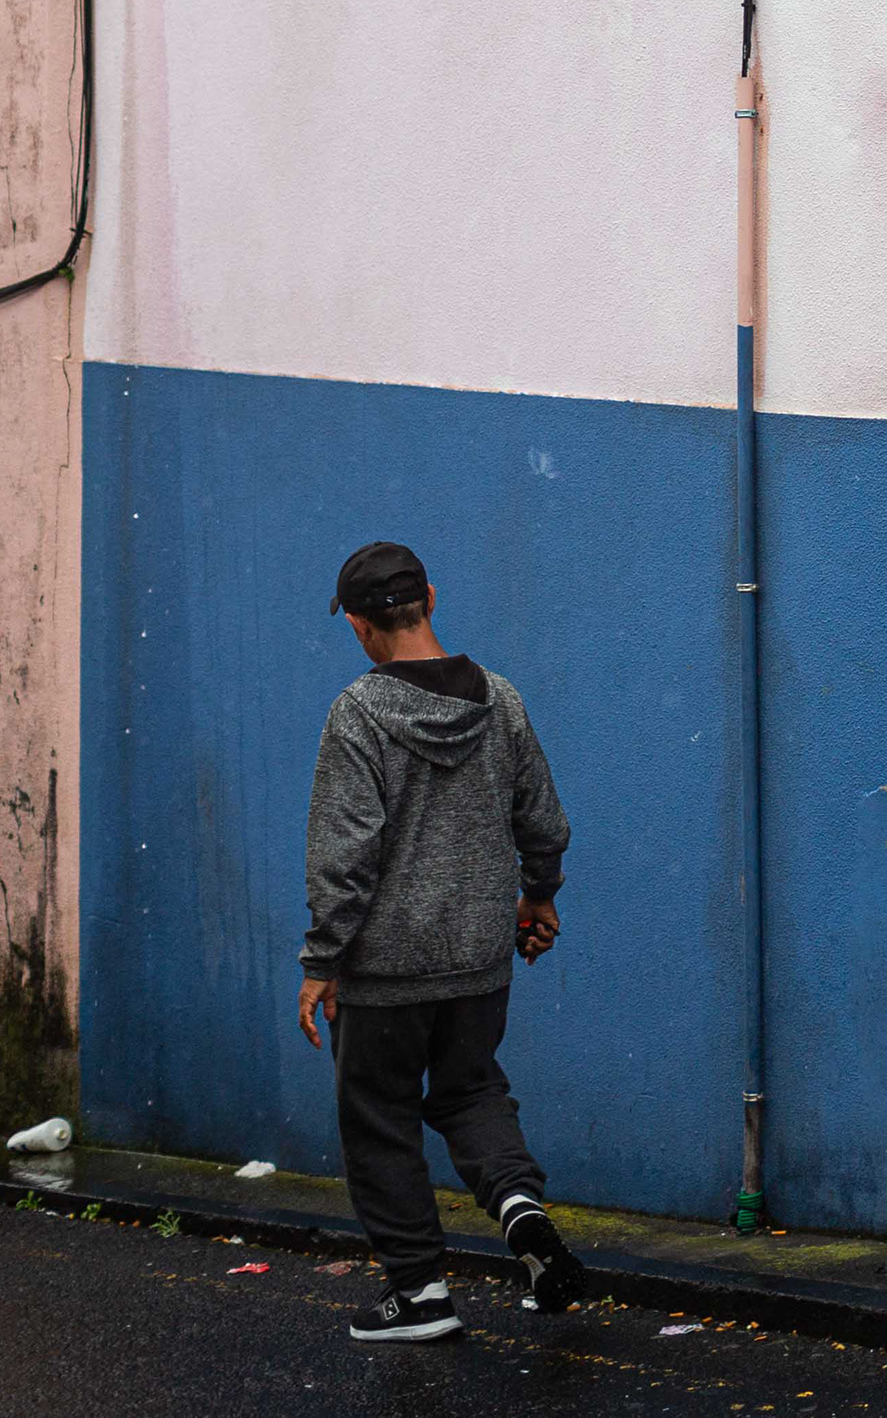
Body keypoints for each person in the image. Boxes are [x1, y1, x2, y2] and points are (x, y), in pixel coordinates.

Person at [299, 539, 586, 1344]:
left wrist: (322, 961)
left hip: (385, 968)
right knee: (470, 1092)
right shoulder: (500, 700)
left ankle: (421, 1295)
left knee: (379, 1115)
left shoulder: (358, 714)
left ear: (359, 626)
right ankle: (521, 1211)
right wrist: (538, 897)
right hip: (477, 961)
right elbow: (544, 822)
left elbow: (343, 855)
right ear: (431, 595)